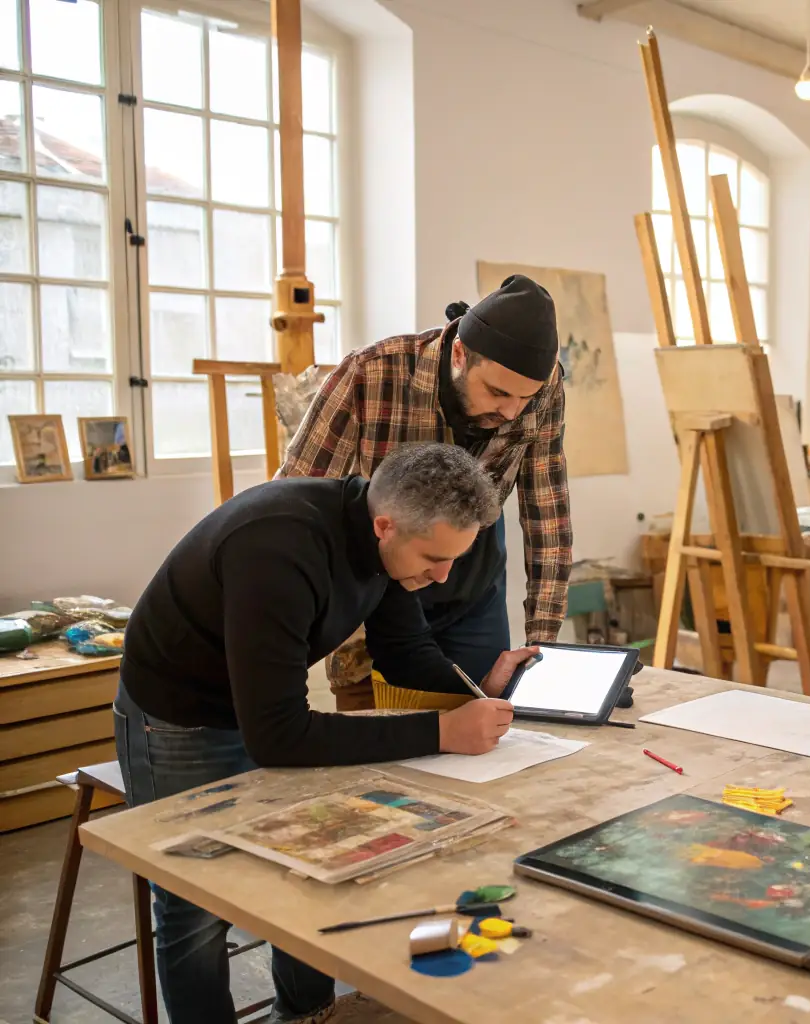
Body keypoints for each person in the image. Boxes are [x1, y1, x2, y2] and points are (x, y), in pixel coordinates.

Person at [115, 443, 540, 1024]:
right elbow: (278, 736)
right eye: (434, 558)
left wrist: (475, 688)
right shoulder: (277, 547)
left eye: (454, 560)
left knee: (301, 874)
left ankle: (309, 1016)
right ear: (386, 526)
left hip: (262, 705)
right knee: (194, 905)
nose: (442, 576)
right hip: (180, 711)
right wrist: (442, 731)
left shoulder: (382, 540)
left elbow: (405, 649)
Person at [280, 273, 571, 708]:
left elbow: (547, 514)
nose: (511, 412)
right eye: (497, 392)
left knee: (477, 716)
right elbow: (296, 501)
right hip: (376, 563)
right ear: (459, 353)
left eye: (524, 400)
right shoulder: (371, 374)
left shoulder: (543, 389)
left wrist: (543, 646)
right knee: (372, 725)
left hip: (472, 569)